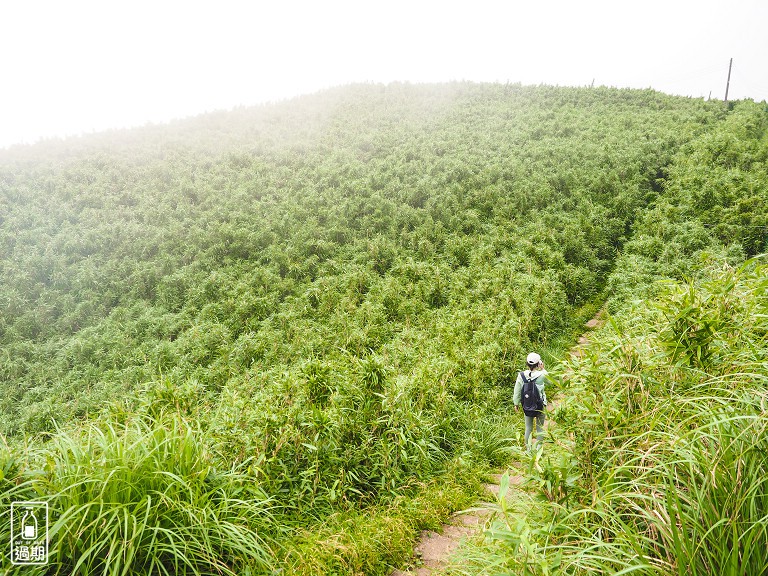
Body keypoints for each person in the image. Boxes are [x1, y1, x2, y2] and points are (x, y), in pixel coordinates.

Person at [513, 352, 549, 451]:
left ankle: (528, 449)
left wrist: (516, 403)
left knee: (528, 428)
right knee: (540, 428)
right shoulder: (542, 375)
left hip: (527, 405)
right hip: (540, 405)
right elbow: (550, 382)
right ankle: (538, 449)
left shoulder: (521, 375)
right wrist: (543, 369)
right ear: (538, 363)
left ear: (527, 363)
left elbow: (517, 390)